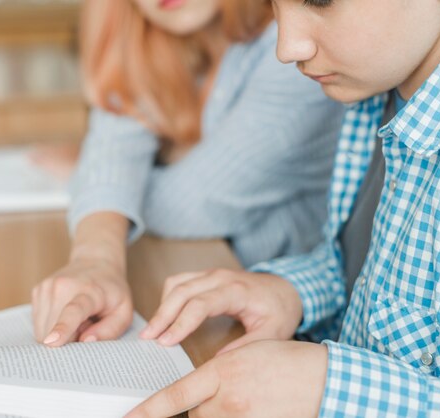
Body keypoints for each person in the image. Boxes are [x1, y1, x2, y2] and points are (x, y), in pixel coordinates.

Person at [126, 0, 440, 416]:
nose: (287, 48)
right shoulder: (377, 94)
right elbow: (376, 282)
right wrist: (293, 292)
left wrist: (332, 391)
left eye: (320, 1)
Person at [31, 0, 344, 347]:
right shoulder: (166, 45)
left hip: (305, 334)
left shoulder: (295, 51)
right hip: (225, 310)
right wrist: (93, 260)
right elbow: (114, 145)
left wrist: (92, 172)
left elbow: (190, 205)